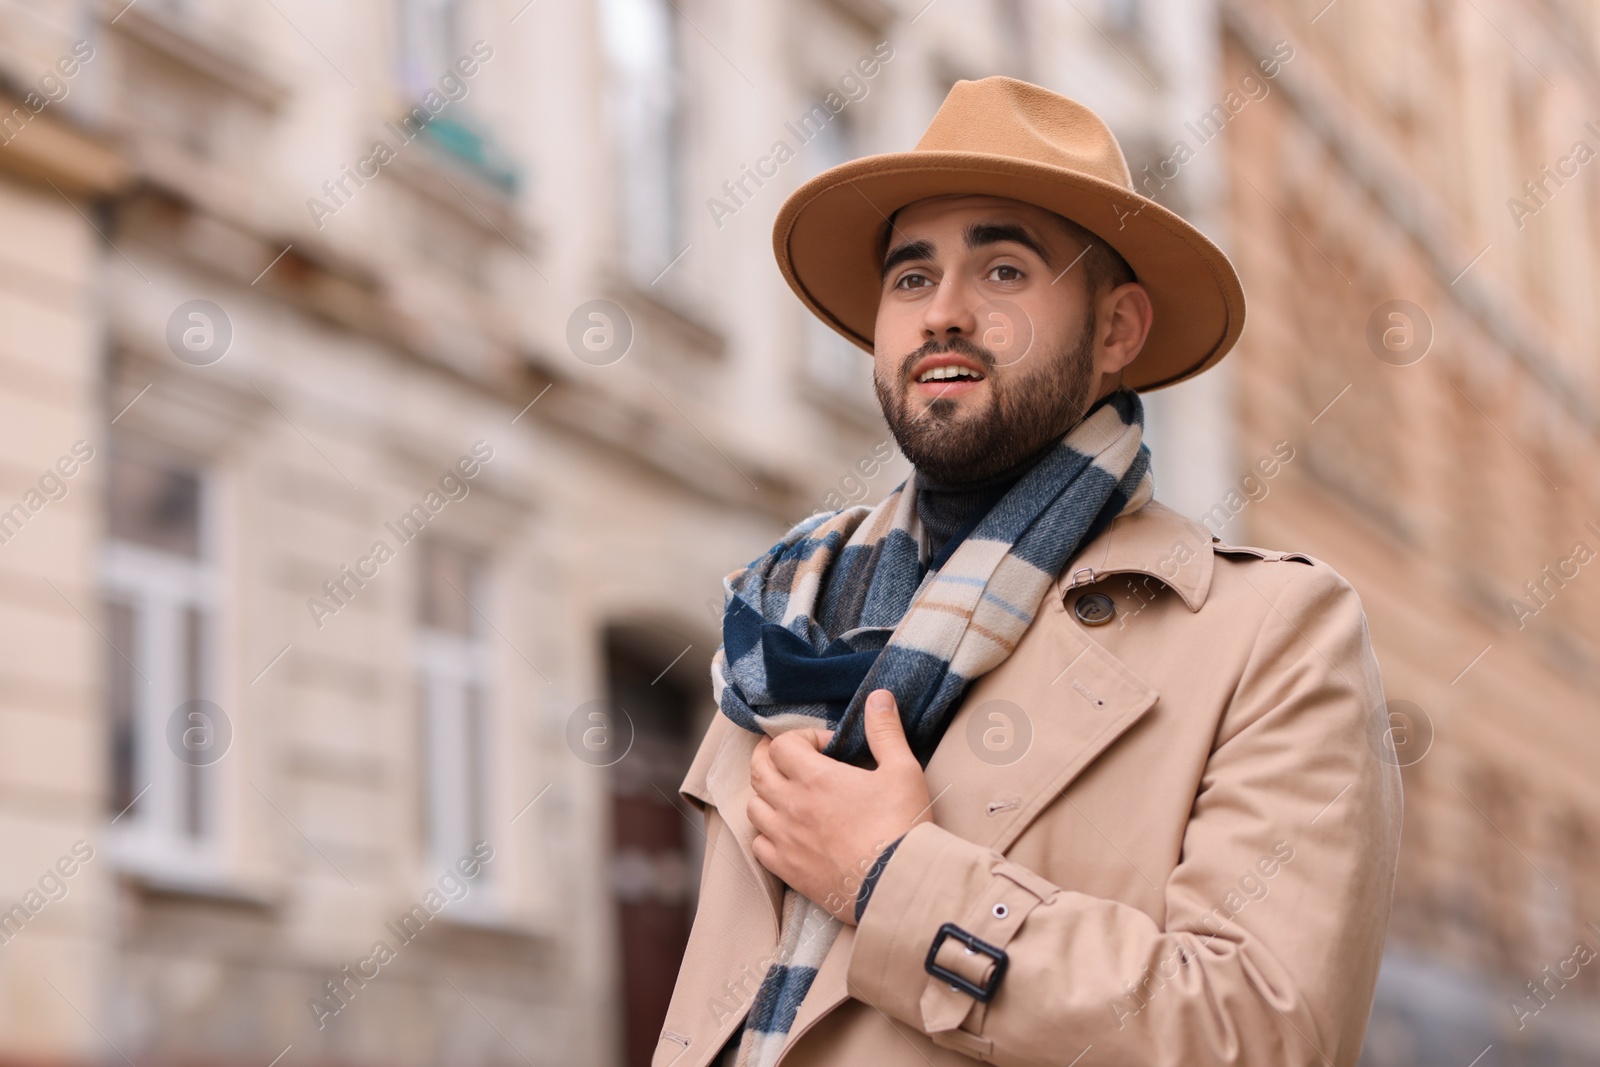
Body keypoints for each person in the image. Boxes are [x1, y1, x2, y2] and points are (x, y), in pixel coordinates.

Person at [654, 76, 1402, 1067]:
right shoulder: (785, 614)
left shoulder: (1272, 631)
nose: (944, 313)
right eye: (911, 278)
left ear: (1115, 330)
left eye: (1004, 270)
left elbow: (1260, 1034)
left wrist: (893, 878)